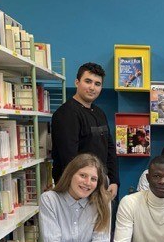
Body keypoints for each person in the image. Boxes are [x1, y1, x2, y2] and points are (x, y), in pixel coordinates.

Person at [51, 62, 119, 199]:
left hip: (99, 186)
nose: (92, 87)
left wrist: (114, 180)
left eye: (97, 84)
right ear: (77, 82)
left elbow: (110, 149)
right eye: (88, 81)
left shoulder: (99, 113)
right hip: (76, 190)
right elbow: (69, 158)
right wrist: (85, 186)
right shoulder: (66, 114)